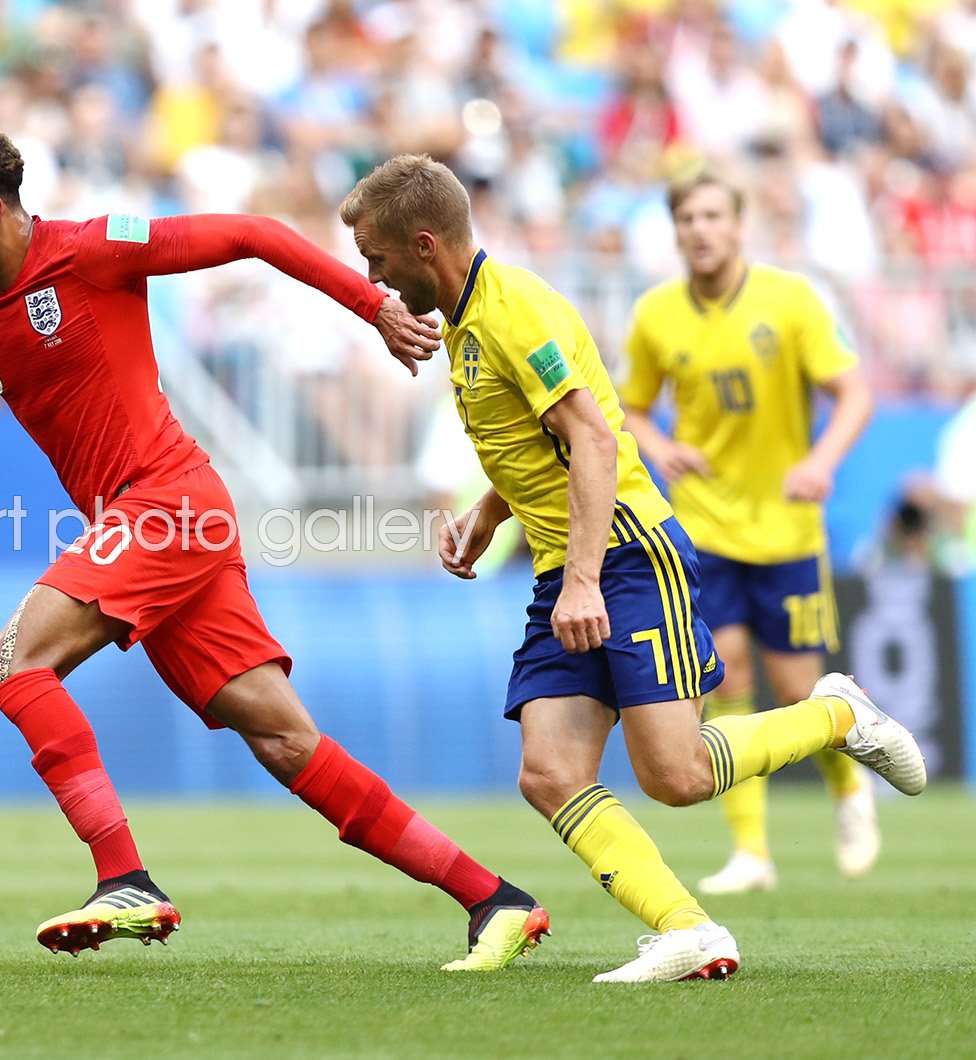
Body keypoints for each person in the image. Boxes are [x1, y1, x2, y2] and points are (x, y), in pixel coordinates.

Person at [0, 122, 548, 971]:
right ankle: (495, 899)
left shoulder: (90, 252)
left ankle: (124, 878)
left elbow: (251, 235)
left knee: (11, 664)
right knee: (283, 741)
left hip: (166, 504)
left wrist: (370, 302)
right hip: (150, 522)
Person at [339, 154, 925, 983]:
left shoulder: (515, 314)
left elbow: (596, 439)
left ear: (424, 243)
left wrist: (582, 580)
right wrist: (489, 511)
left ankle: (835, 715)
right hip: (566, 563)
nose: (375, 276)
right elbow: (539, 445)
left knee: (677, 777)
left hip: (623, 555)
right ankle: (688, 930)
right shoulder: (468, 322)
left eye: (378, 258)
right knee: (549, 772)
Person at [621, 170, 879, 895]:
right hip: (703, 527)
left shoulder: (789, 300)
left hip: (787, 527)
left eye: (712, 215)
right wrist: (660, 444)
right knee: (726, 673)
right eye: (686, 218)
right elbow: (628, 406)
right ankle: (751, 852)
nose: (699, 229)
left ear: (738, 226)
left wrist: (822, 460)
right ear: (675, 232)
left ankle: (850, 793)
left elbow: (855, 390)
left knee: (800, 688)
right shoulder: (655, 315)